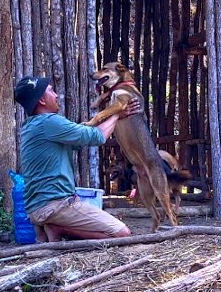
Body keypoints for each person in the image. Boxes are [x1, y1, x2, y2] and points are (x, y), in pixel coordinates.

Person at [14, 75, 140, 242]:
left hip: (38, 208)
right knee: (122, 233)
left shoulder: (32, 126)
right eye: (51, 91)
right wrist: (116, 115)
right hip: (55, 206)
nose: (56, 95)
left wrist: (105, 117)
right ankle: (58, 228)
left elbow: (80, 135)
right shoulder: (49, 122)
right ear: (42, 101)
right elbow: (98, 136)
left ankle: (53, 227)